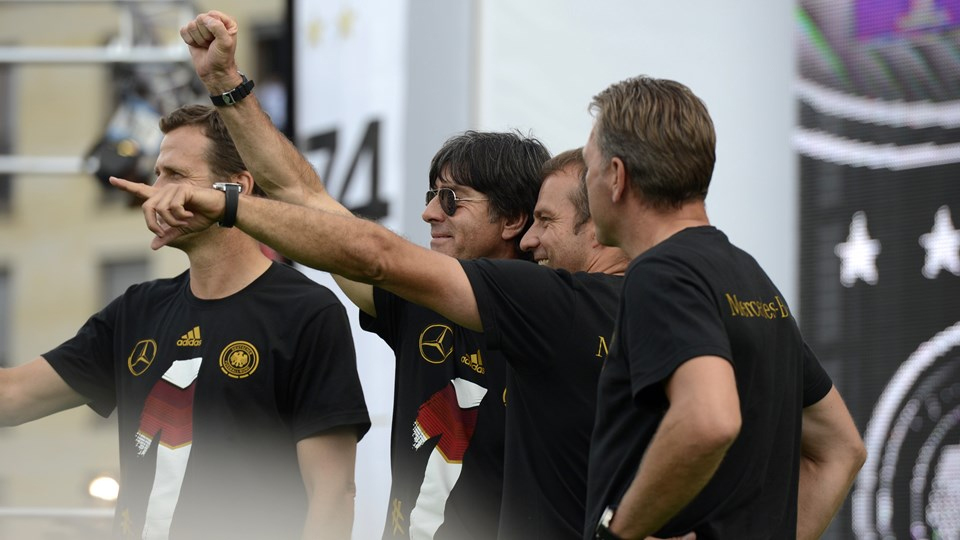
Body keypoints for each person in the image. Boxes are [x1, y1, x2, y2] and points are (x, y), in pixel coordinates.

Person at [178, 12, 546, 540]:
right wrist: (223, 82)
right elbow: (299, 194)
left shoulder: (559, 313)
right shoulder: (418, 300)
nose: (429, 215)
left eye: (451, 200)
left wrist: (222, 202)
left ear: (514, 220)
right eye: (429, 197)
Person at [0, 104, 371, 540]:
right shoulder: (138, 310)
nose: (154, 192)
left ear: (237, 189)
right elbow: (12, 394)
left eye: (175, 176)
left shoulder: (307, 311)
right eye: (157, 174)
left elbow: (332, 494)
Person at [579, 76, 867, 539]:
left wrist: (619, 535)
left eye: (588, 167)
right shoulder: (751, 277)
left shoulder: (661, 274)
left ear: (616, 176)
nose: (586, 182)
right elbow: (842, 447)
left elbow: (710, 418)